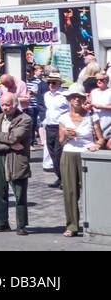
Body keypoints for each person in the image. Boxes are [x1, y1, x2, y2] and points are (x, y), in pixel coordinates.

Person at [58, 85, 106, 237]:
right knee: (70, 191)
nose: (76, 99)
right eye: (73, 96)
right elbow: (61, 141)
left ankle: (94, 225)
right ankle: (72, 226)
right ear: (69, 99)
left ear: (84, 99)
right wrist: (65, 134)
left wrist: (97, 146)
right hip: (69, 154)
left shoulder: (92, 116)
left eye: (79, 96)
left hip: (87, 155)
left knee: (92, 191)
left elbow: (101, 138)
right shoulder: (64, 118)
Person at [0, 91, 33, 235]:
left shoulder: (25, 119)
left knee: (19, 192)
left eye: (8, 105)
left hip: (16, 158)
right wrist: (7, 144)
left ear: (15, 104)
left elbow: (14, 138)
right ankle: (1, 223)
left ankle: (21, 225)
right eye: (2, 104)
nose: (5, 107)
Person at [42, 71, 71, 187]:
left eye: (53, 83)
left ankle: (65, 178)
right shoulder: (46, 95)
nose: (51, 85)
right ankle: (59, 176)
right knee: (52, 152)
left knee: (59, 153)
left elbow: (70, 110)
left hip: (60, 127)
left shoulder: (65, 95)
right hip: (49, 126)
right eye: (49, 83)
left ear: (59, 84)